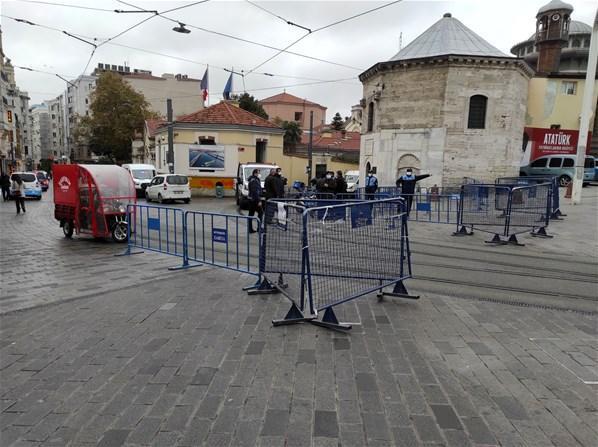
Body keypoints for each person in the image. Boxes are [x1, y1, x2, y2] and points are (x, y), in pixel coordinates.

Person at [247, 169, 262, 233]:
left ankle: (250, 229)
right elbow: (255, 191)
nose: (259, 175)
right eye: (258, 173)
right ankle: (259, 228)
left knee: (251, 214)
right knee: (261, 213)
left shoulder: (251, 179)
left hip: (251, 199)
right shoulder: (254, 180)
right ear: (255, 173)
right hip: (254, 200)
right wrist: (259, 201)